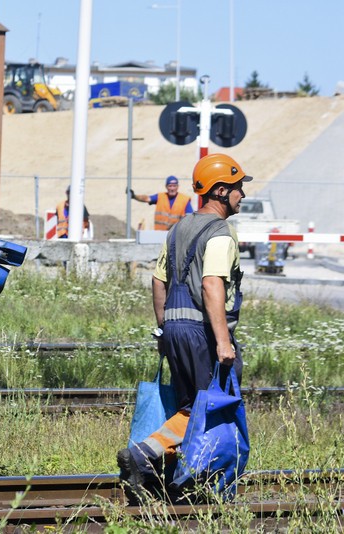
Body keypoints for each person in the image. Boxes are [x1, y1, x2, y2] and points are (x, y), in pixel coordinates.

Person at [117, 153, 251, 501]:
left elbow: (158, 281)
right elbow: (211, 285)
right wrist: (223, 341)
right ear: (221, 191)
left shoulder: (178, 230)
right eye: (238, 188)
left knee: (188, 403)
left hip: (175, 330)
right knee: (206, 406)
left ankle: (175, 479)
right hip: (202, 334)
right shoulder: (220, 233)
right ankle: (144, 455)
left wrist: (164, 329)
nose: (242, 195)